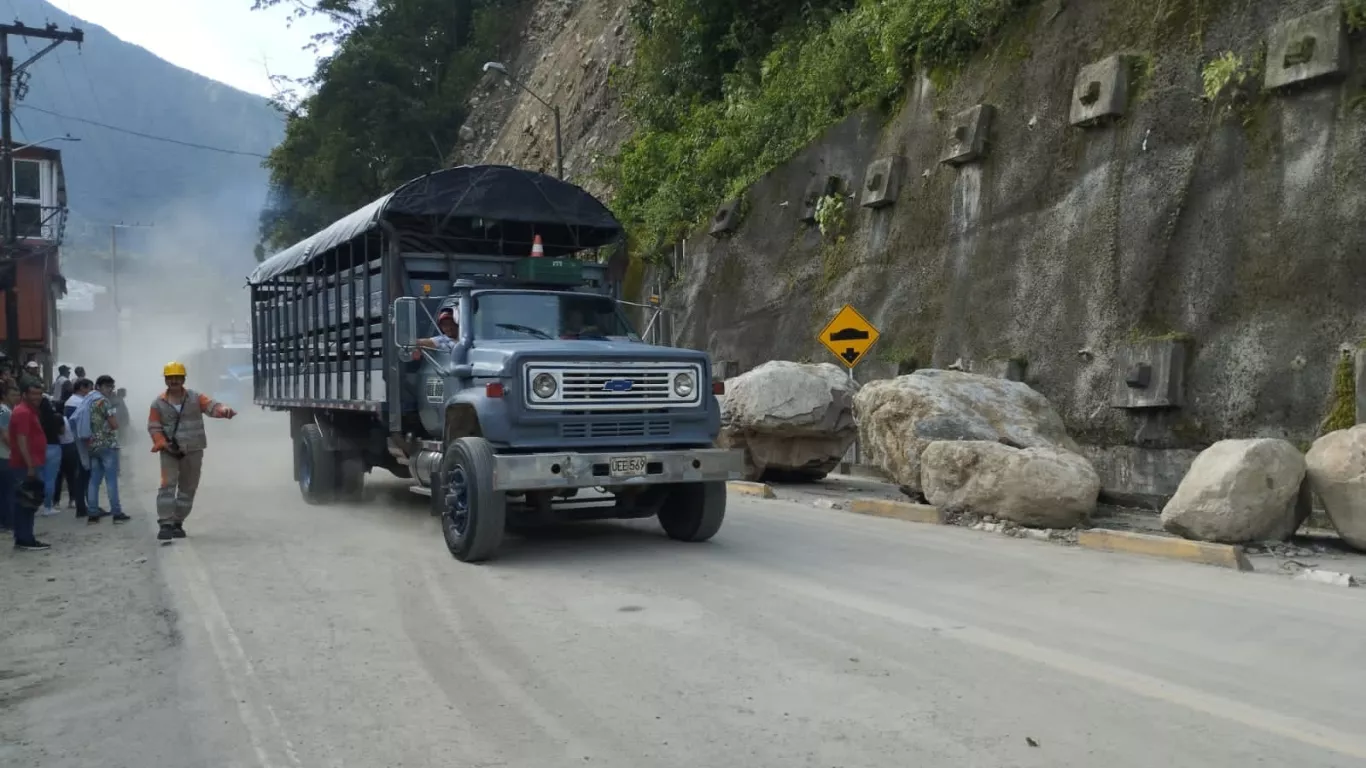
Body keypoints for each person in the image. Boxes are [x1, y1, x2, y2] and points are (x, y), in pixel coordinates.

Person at [148, 361, 235, 541]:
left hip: (194, 450)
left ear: (183, 379)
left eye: (177, 378)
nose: (174, 381)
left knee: (188, 488)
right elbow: (154, 427)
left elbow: (212, 406)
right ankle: (165, 523)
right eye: (170, 378)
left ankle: (177, 522)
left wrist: (223, 410)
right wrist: (162, 443)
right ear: (166, 380)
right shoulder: (158, 403)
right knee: (167, 485)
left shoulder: (195, 398)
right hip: (170, 451)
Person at [10, 379, 50, 550]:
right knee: (26, 503)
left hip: (28, 463)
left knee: (27, 502)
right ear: (24, 395)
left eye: (40, 394)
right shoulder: (23, 412)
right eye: (33, 394)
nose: (37, 397)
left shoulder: (29, 411)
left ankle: (24, 537)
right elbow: (22, 439)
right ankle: (25, 539)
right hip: (25, 465)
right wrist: (30, 465)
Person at [87, 375, 128, 523]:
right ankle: (116, 513)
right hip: (107, 445)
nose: (110, 390)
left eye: (111, 387)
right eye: (108, 387)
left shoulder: (88, 400)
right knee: (111, 480)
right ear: (99, 386)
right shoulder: (104, 402)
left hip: (92, 444)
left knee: (94, 480)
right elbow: (114, 424)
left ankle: (92, 512)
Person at [59, 378, 94, 519]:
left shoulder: (74, 402)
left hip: (77, 442)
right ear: (82, 388)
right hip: (78, 443)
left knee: (83, 476)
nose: (90, 392)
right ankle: (84, 506)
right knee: (82, 476)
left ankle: (86, 505)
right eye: (89, 388)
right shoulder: (76, 402)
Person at [36, 391, 66, 516]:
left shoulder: (35, 417)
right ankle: (48, 507)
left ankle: (37, 504)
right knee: (50, 479)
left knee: (40, 478)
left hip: (38, 448)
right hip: (53, 447)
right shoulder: (57, 417)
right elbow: (62, 432)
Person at [0, 382, 15, 532]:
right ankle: (8, 522)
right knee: (9, 491)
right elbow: (4, 435)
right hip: (5, 456)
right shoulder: (4, 411)